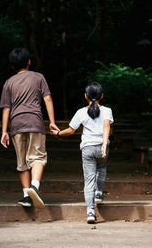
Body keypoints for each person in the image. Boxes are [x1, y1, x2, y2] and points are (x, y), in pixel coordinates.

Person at [0, 47, 59, 209]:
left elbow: (6, 108)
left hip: (16, 124)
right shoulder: (39, 77)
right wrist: (52, 122)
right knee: (38, 157)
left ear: (12, 66)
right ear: (29, 62)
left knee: (22, 162)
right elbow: (47, 99)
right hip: (35, 122)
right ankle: (34, 187)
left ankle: (27, 196)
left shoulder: (9, 83)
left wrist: (4, 131)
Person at [50, 82, 113, 224]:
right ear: (102, 96)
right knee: (102, 167)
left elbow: (71, 130)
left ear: (86, 96)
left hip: (87, 148)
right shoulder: (107, 110)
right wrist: (104, 144)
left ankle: (90, 212)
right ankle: (99, 193)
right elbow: (106, 126)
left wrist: (58, 133)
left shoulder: (81, 112)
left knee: (89, 180)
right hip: (102, 147)